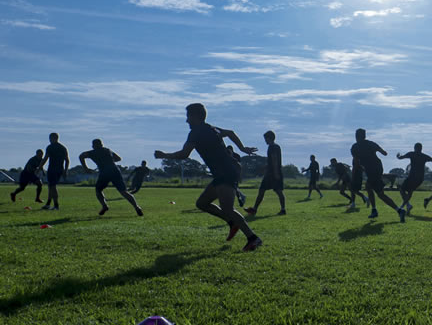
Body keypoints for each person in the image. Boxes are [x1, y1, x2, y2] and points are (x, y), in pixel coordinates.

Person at [154, 103, 262, 251]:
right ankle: (232, 223)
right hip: (225, 172)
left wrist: (164, 155)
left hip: (225, 172)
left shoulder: (196, 132)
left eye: (188, 117)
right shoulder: (212, 128)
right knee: (202, 203)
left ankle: (253, 238)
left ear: (196, 116)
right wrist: (242, 148)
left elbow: (184, 154)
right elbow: (230, 132)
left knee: (228, 208)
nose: (187, 121)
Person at [350, 128, 404, 221]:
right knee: (374, 190)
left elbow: (356, 163)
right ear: (364, 136)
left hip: (371, 170)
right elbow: (384, 153)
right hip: (378, 167)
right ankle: (383, 210)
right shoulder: (371, 143)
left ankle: (392, 210)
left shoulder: (355, 147)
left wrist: (354, 174)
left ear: (356, 136)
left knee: (375, 191)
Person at [80, 139, 143, 217]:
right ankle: (137, 207)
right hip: (115, 171)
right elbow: (118, 158)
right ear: (102, 144)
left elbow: (81, 156)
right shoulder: (108, 150)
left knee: (98, 190)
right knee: (124, 192)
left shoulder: (92, 153)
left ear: (93, 146)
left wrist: (85, 168)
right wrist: (109, 161)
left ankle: (104, 206)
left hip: (104, 173)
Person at [246, 130, 286, 216]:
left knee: (278, 191)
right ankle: (254, 209)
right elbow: (271, 161)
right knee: (262, 190)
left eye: (266, 139)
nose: (265, 140)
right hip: (270, 173)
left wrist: (276, 173)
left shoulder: (273, 147)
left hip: (273, 173)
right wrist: (264, 168)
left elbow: (275, 160)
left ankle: (283, 209)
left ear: (269, 138)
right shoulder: (274, 147)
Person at [397, 143, 432, 214]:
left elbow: (401, 157)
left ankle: (405, 205)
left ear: (414, 148)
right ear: (421, 148)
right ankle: (407, 206)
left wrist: (398, 156)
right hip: (420, 178)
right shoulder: (424, 156)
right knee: (410, 191)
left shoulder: (412, 154)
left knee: (402, 190)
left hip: (412, 176)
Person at [40, 132, 69, 210]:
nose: (49, 140)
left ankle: (56, 205)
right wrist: (65, 170)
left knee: (52, 187)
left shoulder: (50, 147)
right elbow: (67, 160)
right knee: (50, 186)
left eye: (50, 138)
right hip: (60, 169)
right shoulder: (63, 148)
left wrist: (40, 167)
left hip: (52, 169)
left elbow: (45, 158)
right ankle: (48, 204)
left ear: (53, 138)